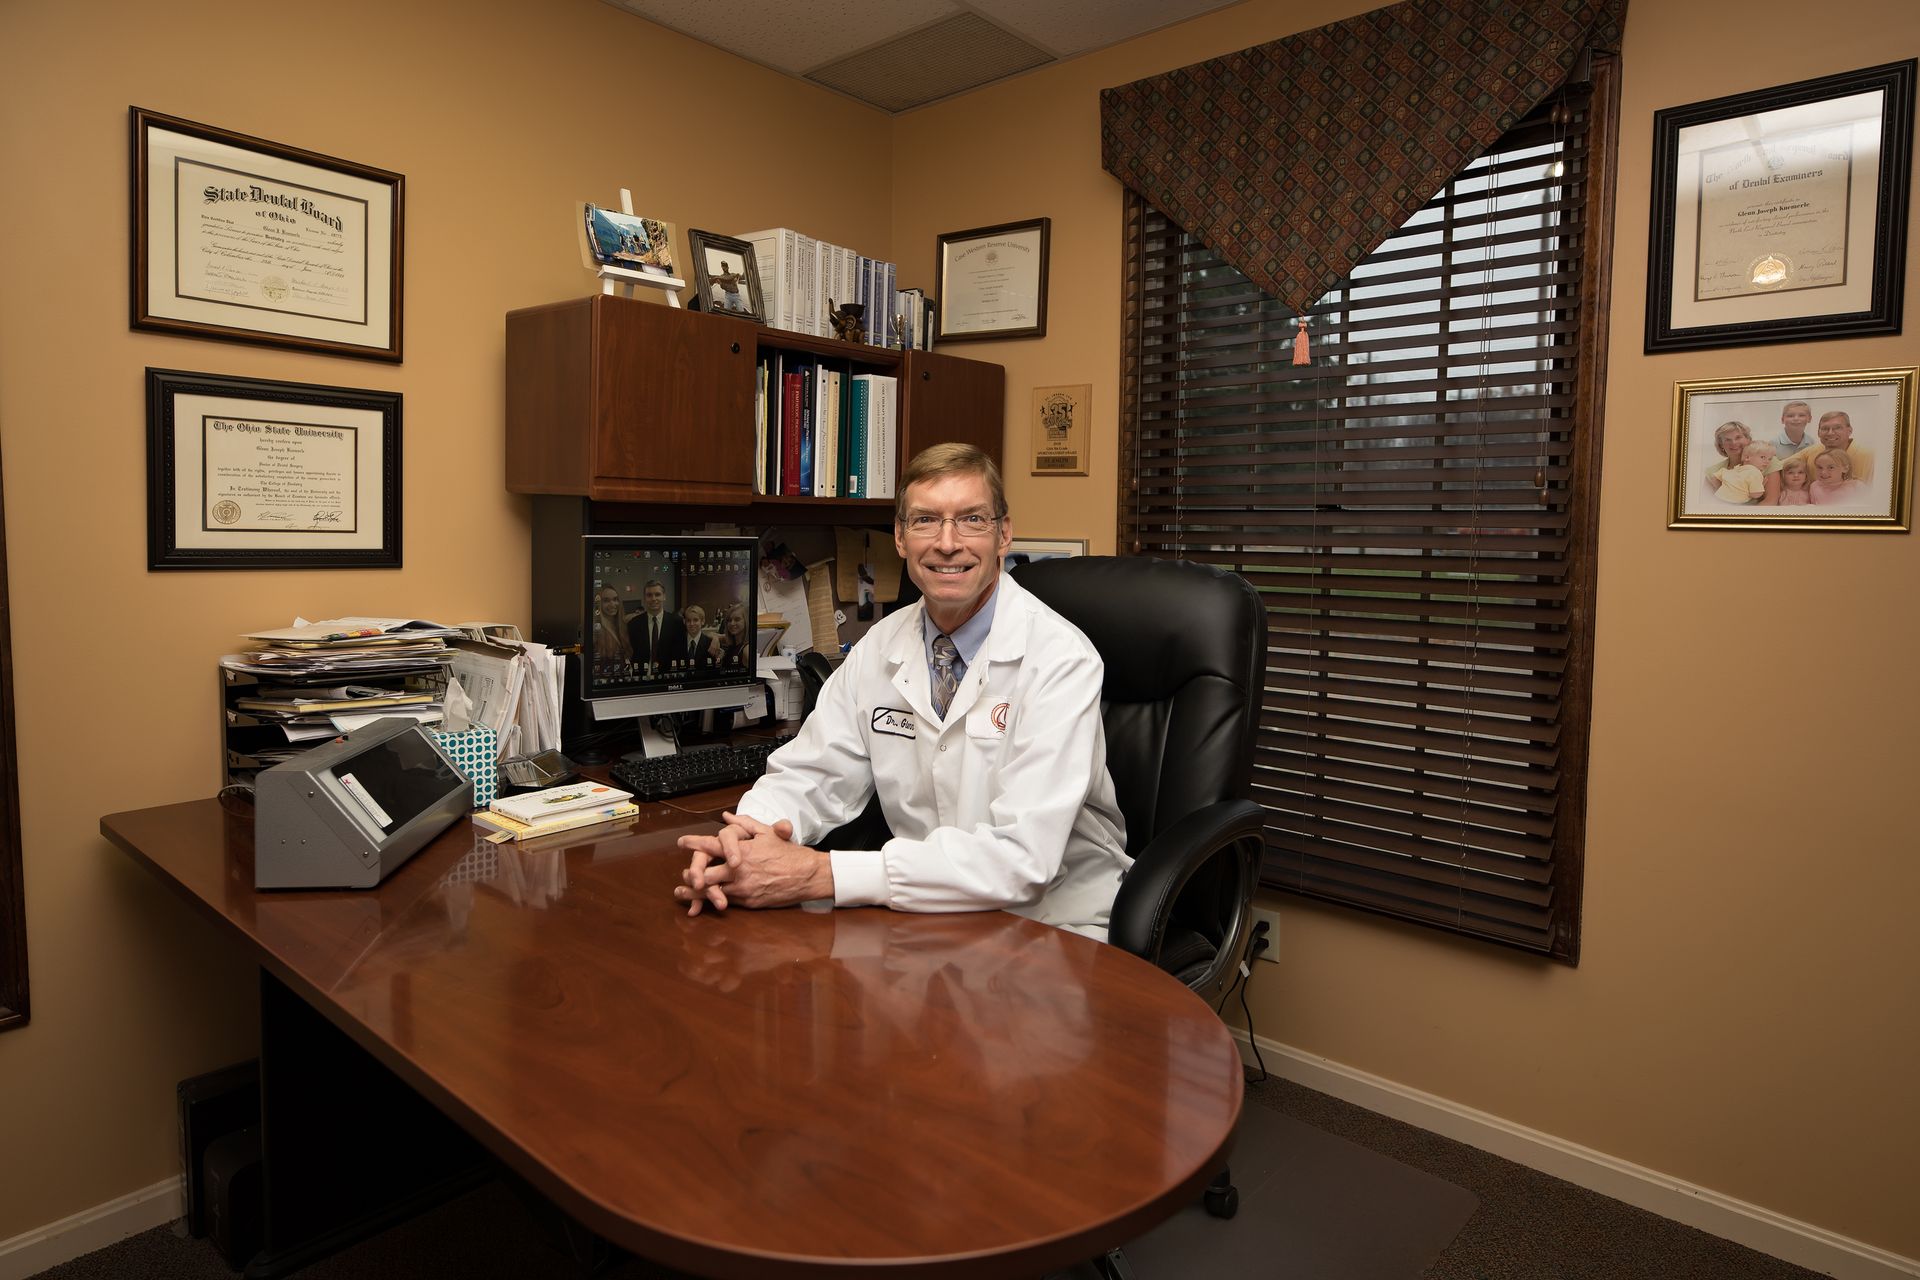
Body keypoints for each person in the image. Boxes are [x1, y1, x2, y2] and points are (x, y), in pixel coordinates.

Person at [674, 442, 1131, 939]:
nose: (948, 542)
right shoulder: (879, 646)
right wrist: (741, 839)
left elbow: (1022, 861)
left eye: (972, 520)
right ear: (899, 537)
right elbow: (814, 772)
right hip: (925, 908)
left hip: (1054, 918)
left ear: (1004, 534)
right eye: (926, 521)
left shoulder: (1061, 660)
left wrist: (819, 874)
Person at [1787, 410, 1874, 483]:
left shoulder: (1870, 457)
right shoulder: (1810, 452)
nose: (1830, 433)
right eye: (1825, 429)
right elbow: (1779, 467)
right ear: (1818, 432)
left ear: (1850, 430)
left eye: (1837, 428)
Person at [625, 579, 688, 675]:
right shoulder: (634, 624)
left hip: (667, 679)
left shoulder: (677, 623)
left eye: (657, 594)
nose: (653, 598)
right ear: (645, 598)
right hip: (641, 679)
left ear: (664, 596)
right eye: (649, 595)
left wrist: (715, 637)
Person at [1715, 438, 1773, 505]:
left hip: (1718, 498)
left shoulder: (1737, 468)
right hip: (1733, 503)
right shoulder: (1755, 473)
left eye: (1770, 459)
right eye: (1762, 457)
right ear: (1747, 458)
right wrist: (1761, 486)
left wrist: (1725, 489)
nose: (1767, 461)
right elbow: (1755, 495)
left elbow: (1715, 477)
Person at [591, 586, 633, 670]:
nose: (612, 604)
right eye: (606, 600)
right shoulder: (596, 630)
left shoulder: (622, 626)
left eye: (615, 599)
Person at [713, 602, 751, 670]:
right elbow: (708, 634)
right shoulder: (731, 639)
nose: (732, 623)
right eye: (729, 620)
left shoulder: (746, 649)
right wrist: (715, 639)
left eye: (737, 619)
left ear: (746, 621)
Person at [682, 604, 720, 670]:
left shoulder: (710, 644)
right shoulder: (678, 643)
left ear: (702, 621)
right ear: (684, 622)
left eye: (695, 620)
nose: (691, 624)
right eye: (688, 620)